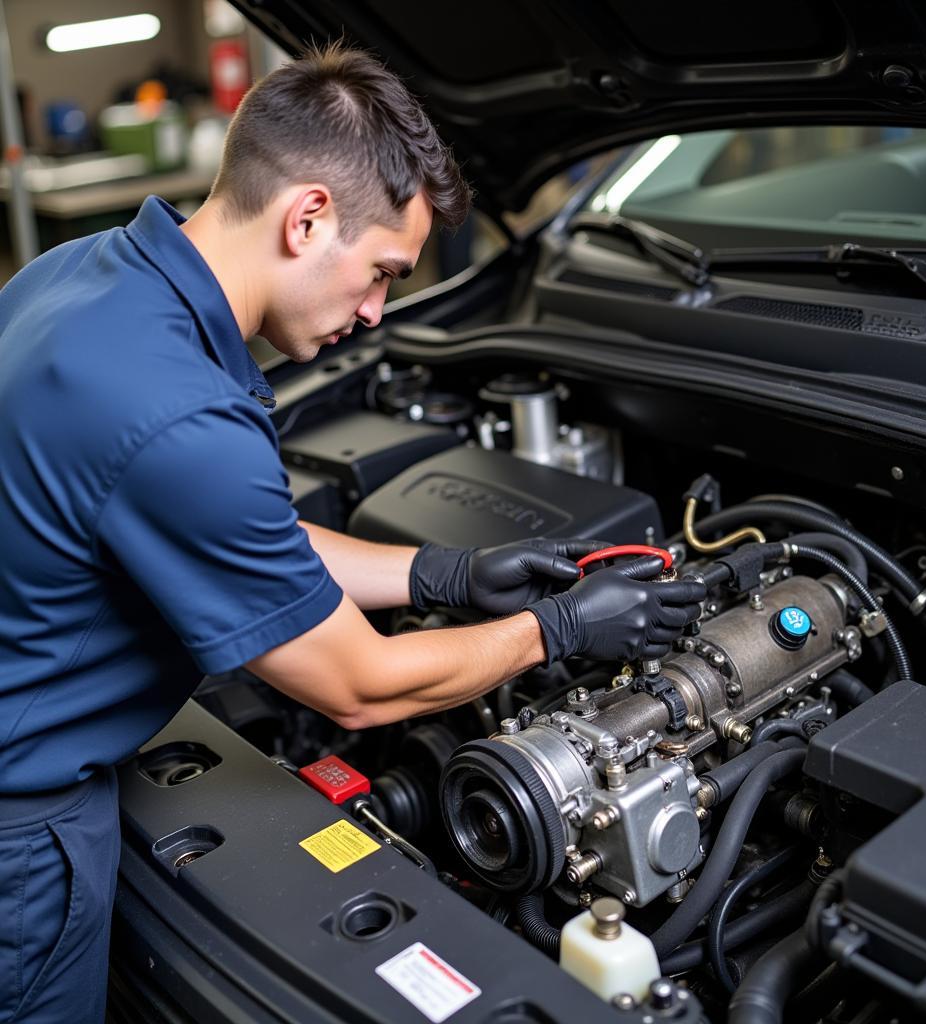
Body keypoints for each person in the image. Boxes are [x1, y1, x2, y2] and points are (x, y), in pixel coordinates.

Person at [0, 45, 704, 1023]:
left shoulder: (83, 278)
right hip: (22, 826)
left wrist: (445, 572)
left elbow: (243, 543)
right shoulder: (177, 414)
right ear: (306, 217)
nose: (375, 314)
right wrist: (563, 631)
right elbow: (358, 688)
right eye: (380, 273)